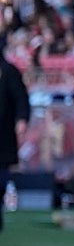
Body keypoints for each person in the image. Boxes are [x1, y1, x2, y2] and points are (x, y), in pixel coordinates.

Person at [0, 32, 31, 234]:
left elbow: (21, 98)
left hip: (3, 136)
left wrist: (21, 120)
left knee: (1, 178)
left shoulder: (9, 72)